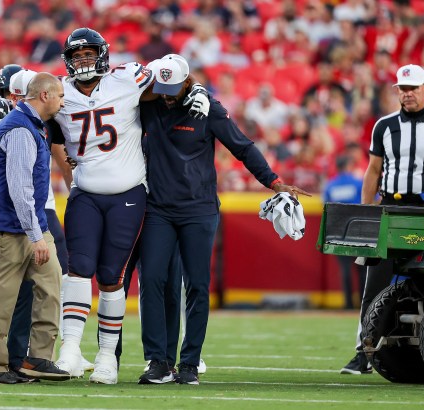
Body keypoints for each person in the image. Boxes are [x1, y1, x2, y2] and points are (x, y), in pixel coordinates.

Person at [137, 55, 310, 385]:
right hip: (158, 207)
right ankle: (158, 361)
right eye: (162, 88)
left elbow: (243, 147)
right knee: (154, 280)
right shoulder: (150, 102)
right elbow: (121, 86)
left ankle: (189, 363)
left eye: (174, 88)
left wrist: (273, 182)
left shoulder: (208, 109)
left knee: (198, 286)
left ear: (187, 82)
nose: (167, 95)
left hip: (199, 209)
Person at [53, 27, 210, 385]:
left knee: (112, 277)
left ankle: (107, 358)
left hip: (127, 193)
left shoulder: (127, 78)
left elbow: (174, 72)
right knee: (78, 270)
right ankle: (71, 350)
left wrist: (198, 88)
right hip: (86, 193)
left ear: (102, 54)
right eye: (76, 56)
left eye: (88, 53)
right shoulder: (58, 92)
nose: (83, 61)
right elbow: (30, 107)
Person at [0, 65, 82, 376]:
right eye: (60, 96)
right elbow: (19, 186)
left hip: (28, 224)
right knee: (1, 299)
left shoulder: (35, 125)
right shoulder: (19, 128)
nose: (63, 102)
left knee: (51, 284)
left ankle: (36, 357)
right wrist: (37, 233)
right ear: (44, 95)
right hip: (7, 228)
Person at [340, 64, 424, 375]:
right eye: (402, 89)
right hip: (390, 210)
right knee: (374, 282)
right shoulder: (384, 125)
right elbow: (373, 171)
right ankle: (363, 352)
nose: (406, 94)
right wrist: (365, 210)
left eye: (412, 88)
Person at [323, 155, 366, 310]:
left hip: (338, 230)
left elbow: (326, 206)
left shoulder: (330, 185)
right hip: (358, 230)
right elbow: (371, 199)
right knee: (362, 268)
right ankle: (362, 302)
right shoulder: (358, 182)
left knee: (345, 269)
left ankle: (347, 303)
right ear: (348, 165)